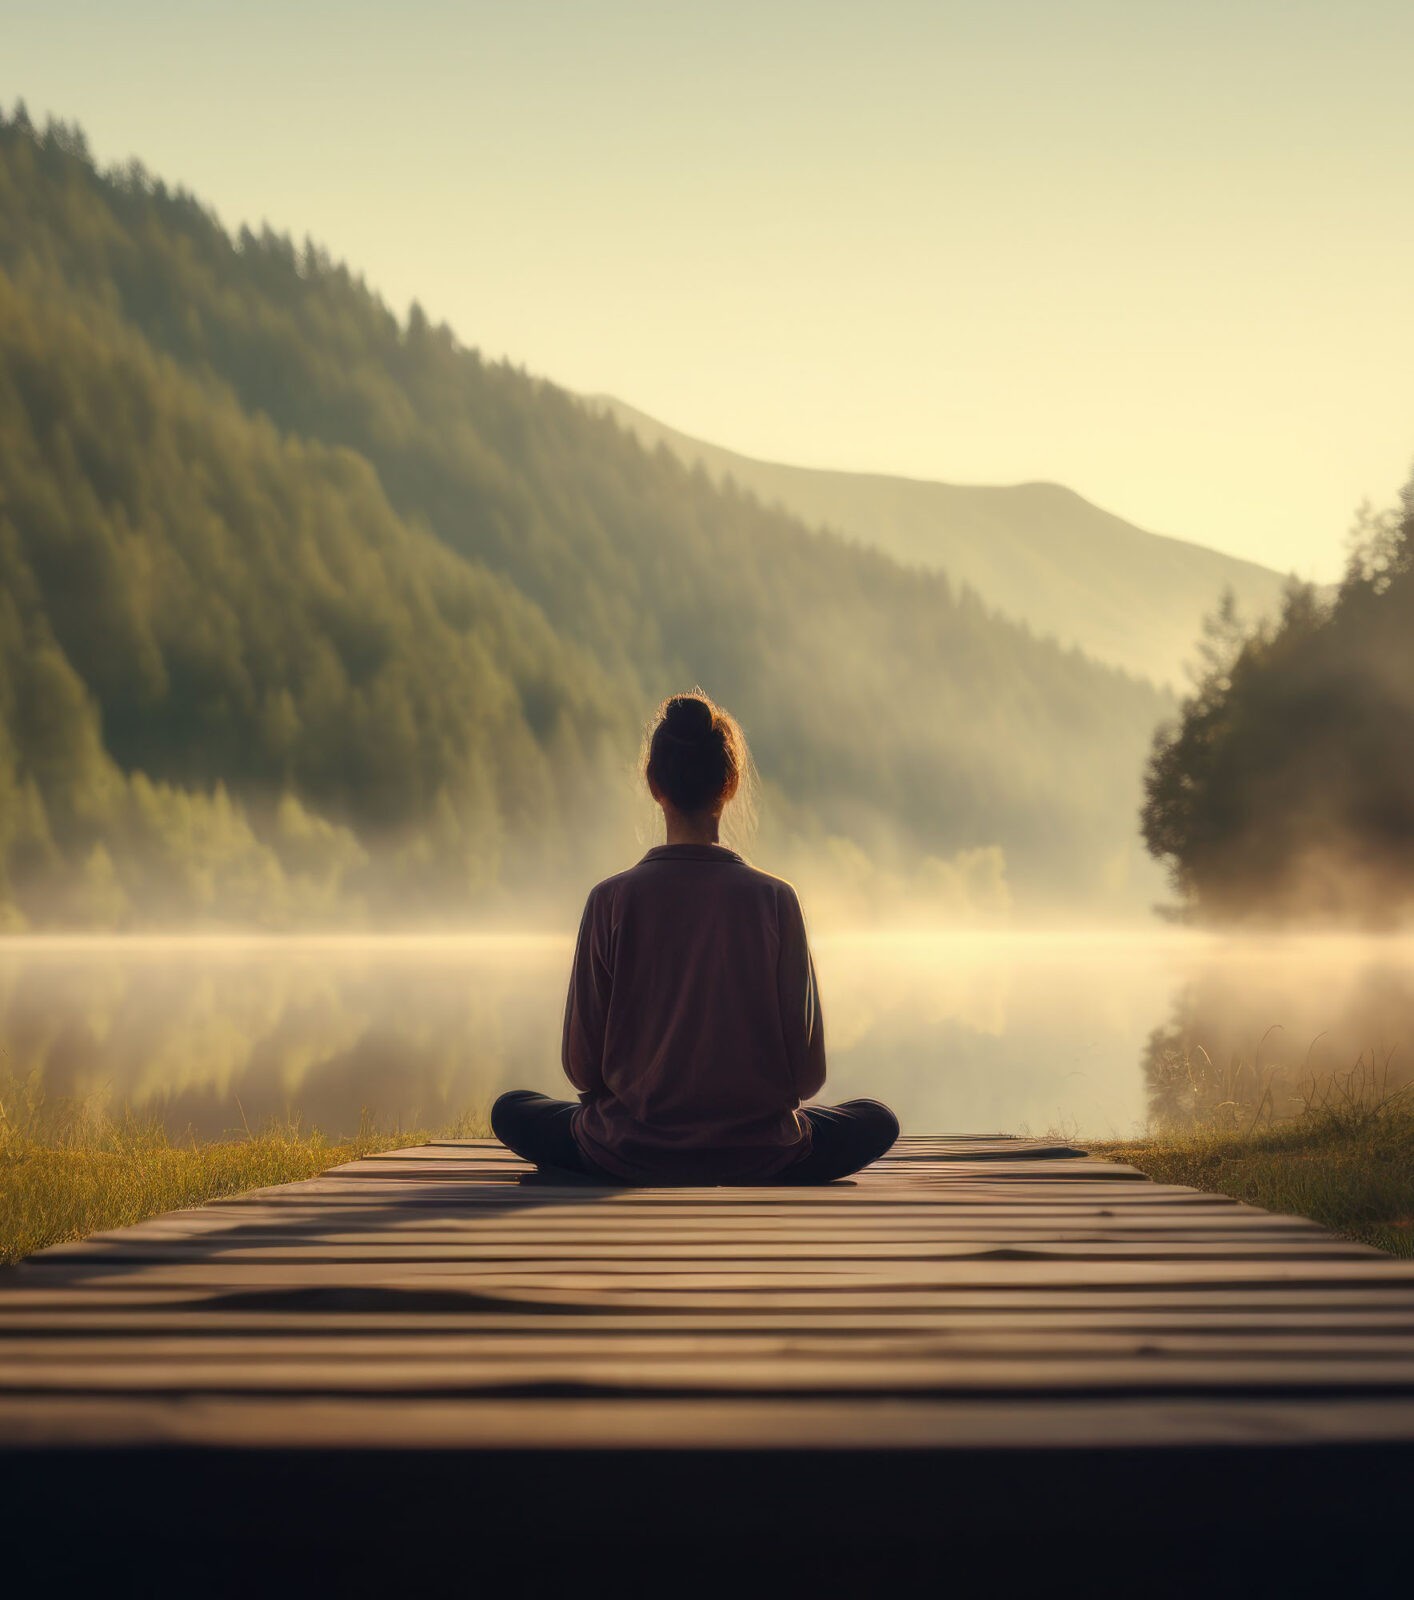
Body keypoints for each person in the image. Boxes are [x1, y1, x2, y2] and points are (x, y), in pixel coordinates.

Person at [491, 690, 899, 1185]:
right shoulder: (776, 900)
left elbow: (582, 1072)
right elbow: (808, 1080)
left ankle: (617, 1163)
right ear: (729, 785)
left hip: (626, 1151)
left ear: (653, 783)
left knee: (512, 1110)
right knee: (877, 1120)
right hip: (760, 1153)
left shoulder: (609, 900)